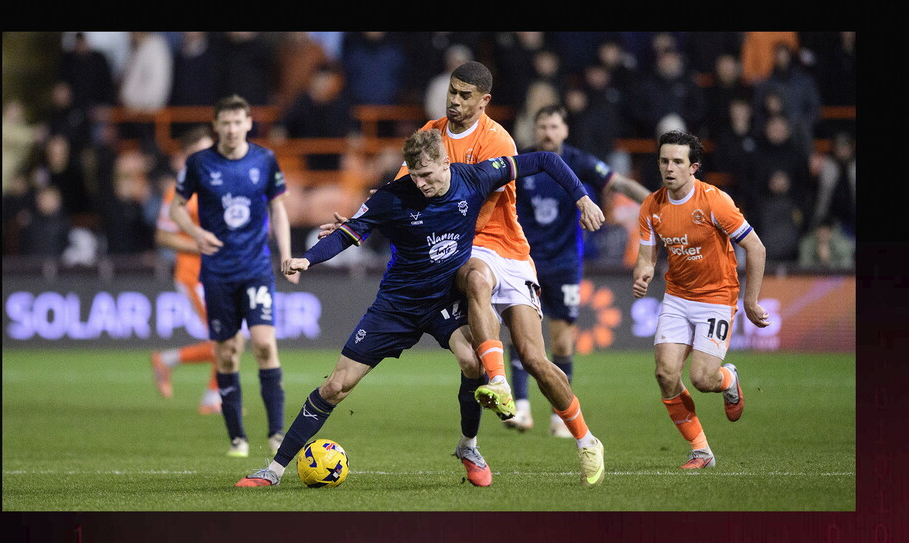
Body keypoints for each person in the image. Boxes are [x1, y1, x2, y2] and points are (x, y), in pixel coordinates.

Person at [235, 128, 606, 488]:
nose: (422, 184)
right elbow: (351, 233)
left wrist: (581, 197)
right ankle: (274, 469)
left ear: (446, 163)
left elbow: (542, 159)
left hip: (444, 300)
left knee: (474, 362)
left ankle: (469, 447)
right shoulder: (393, 197)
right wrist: (308, 260)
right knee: (336, 386)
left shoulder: (476, 177)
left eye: (427, 175)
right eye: (414, 176)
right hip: (396, 305)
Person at [318, 61, 607, 486]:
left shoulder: (496, 140)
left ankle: (586, 440)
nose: (454, 100)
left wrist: (581, 197)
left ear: (484, 101)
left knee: (536, 358)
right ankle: (498, 383)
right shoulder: (431, 135)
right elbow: (402, 189)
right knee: (474, 279)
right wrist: (360, 220)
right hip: (467, 248)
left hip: (510, 247)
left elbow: (528, 169)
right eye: (453, 91)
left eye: (465, 95)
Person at [631, 130, 770, 469]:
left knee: (703, 379)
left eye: (677, 162)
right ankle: (701, 450)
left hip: (716, 297)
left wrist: (751, 301)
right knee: (665, 374)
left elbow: (756, 247)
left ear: (693, 167)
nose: (669, 168)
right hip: (677, 296)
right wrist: (644, 272)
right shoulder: (652, 205)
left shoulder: (714, 201)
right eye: (664, 160)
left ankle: (728, 379)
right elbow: (647, 256)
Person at [508, 104, 651, 435]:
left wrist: (658, 205)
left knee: (561, 342)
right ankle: (522, 408)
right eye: (542, 126)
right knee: (519, 334)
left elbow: (619, 185)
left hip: (564, 263)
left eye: (554, 126)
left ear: (565, 130)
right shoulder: (522, 161)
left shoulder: (578, 162)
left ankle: (560, 414)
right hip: (523, 260)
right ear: (535, 129)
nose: (547, 132)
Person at [169, 95, 298, 458]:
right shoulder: (198, 163)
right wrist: (195, 235)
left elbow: (278, 207)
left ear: (248, 123)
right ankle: (238, 438)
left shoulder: (264, 159)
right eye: (224, 123)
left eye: (236, 122)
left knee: (264, 345)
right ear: (216, 126)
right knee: (226, 355)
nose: (230, 129)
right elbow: (176, 209)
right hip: (218, 273)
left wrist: (286, 255)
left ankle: (275, 433)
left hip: (256, 268)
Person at [150, 125, 223, 415]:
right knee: (228, 337)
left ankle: (167, 361)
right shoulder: (179, 190)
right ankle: (212, 399)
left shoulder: (220, 185)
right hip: (194, 275)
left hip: (221, 272)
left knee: (229, 338)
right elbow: (163, 236)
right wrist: (201, 244)